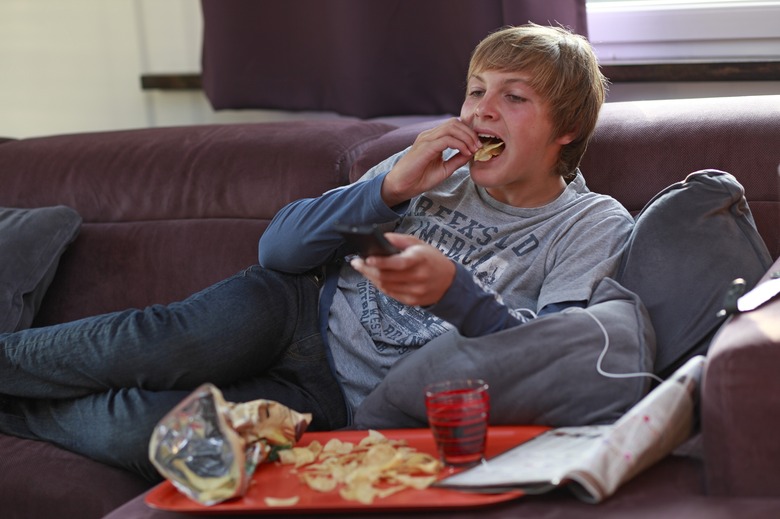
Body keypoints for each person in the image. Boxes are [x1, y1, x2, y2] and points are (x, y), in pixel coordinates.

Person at [0, 24, 633, 482]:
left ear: (567, 127)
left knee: (136, 431)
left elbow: (558, 360)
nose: (481, 110)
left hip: (344, 406)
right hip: (292, 311)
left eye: (514, 97)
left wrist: (456, 294)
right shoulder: (430, 166)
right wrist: (390, 187)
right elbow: (278, 249)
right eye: (475, 91)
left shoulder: (590, 223)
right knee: (155, 344)